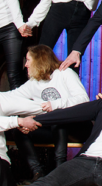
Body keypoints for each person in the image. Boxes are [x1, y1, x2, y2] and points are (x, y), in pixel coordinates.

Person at [10, 45, 90, 178]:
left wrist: (55, 104)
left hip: (77, 129)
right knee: (18, 131)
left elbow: (83, 100)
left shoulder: (64, 73)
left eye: (28, 60)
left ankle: (60, 171)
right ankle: (37, 172)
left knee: (57, 117)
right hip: (53, 130)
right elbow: (11, 97)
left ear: (39, 61)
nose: (26, 65)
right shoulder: (34, 82)